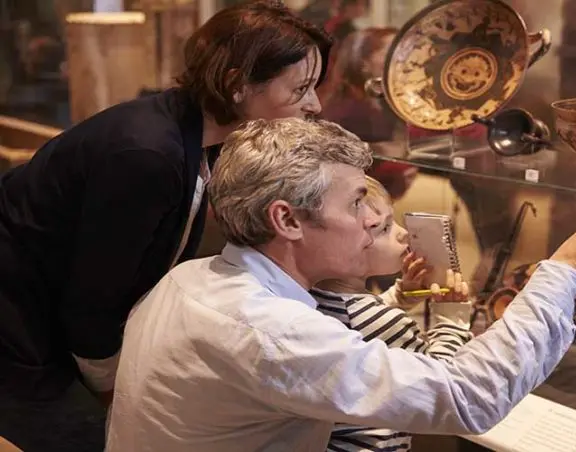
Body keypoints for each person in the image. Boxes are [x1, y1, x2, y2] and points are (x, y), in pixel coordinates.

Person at [107, 117, 576, 451]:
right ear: (287, 220)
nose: (376, 217)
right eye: (356, 202)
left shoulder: (190, 279)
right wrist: (566, 266)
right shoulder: (269, 330)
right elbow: (467, 397)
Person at [0, 2, 331, 451]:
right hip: (18, 311)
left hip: (53, 307)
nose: (315, 105)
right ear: (236, 83)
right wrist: (116, 390)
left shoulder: (202, 136)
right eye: (301, 89)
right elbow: (93, 303)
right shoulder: (148, 154)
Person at [313, 176, 472, 451]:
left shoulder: (313, 299)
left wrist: (400, 296)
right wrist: (452, 319)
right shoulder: (387, 324)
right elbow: (440, 383)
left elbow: (362, 322)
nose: (403, 233)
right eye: (384, 228)